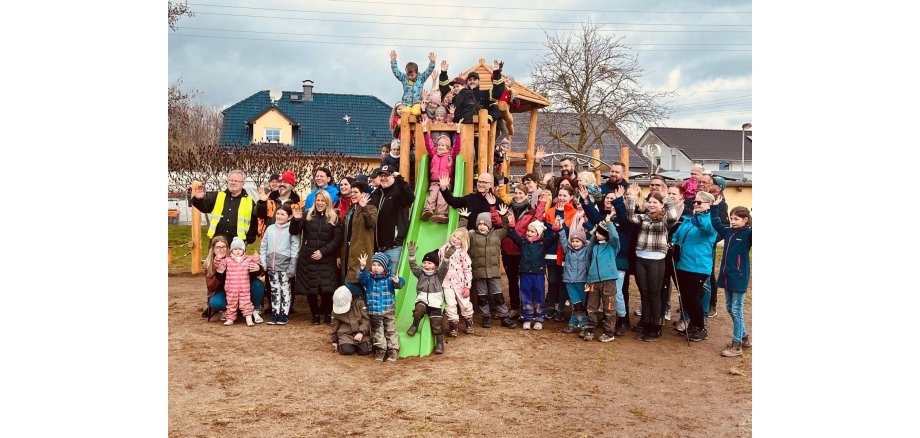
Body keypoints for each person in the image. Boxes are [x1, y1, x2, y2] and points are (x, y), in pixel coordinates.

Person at [625, 183, 681, 341]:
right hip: (641, 258)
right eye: (650, 201)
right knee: (644, 293)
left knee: (654, 293)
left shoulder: (665, 219)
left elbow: (673, 217)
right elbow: (630, 217)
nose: (651, 204)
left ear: (661, 205)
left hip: (656, 260)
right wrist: (631, 197)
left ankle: (655, 327)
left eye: (655, 202)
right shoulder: (643, 217)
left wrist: (666, 198)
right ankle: (646, 323)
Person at [578, 184, 632, 337]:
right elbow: (593, 215)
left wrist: (619, 201)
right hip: (598, 269)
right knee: (594, 299)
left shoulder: (624, 221)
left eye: (612, 199)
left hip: (618, 263)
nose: (609, 201)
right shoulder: (603, 220)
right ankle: (592, 325)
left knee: (618, 294)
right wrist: (586, 200)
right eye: (607, 198)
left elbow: (619, 221)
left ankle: (622, 320)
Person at [670, 191, 718, 343]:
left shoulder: (710, 221)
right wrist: (673, 242)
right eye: (695, 202)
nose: (695, 205)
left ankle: (700, 327)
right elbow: (677, 234)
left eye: (699, 203)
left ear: (708, 205)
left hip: (698, 266)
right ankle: (691, 324)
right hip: (682, 264)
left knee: (692, 297)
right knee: (686, 297)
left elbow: (706, 229)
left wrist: (703, 213)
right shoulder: (689, 220)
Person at [458, 206, 517, 329]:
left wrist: (503, 215)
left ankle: (504, 317)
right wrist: (464, 219)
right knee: (483, 297)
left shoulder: (497, 234)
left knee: (498, 296)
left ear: (489, 225)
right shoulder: (472, 235)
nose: (482, 226)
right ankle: (486, 317)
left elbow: (506, 228)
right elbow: (461, 234)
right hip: (479, 272)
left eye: (485, 224)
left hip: (493, 272)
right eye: (480, 224)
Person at [291, 190, 342, 325]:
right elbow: (294, 231)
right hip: (309, 257)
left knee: (327, 289)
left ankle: (326, 313)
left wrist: (323, 252)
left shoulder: (334, 217)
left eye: (322, 201)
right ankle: (315, 315)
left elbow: (337, 240)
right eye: (317, 200)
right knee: (311, 289)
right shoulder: (307, 214)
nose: (320, 203)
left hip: (326, 257)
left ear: (327, 202)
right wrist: (296, 220)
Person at [710, 197, 752, 357]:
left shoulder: (748, 234)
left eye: (737, 219)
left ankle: (737, 345)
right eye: (732, 218)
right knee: (729, 308)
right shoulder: (728, 232)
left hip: (739, 277)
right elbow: (716, 224)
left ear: (745, 220)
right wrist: (714, 207)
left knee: (736, 309)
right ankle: (745, 336)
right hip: (726, 277)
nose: (733, 221)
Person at [505, 210, 558, 331]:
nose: (529, 233)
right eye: (528, 231)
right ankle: (527, 317)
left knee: (539, 295)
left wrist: (556, 230)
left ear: (538, 234)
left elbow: (554, 238)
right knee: (525, 294)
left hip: (538, 274)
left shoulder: (543, 243)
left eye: (532, 231)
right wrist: (511, 224)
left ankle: (539, 318)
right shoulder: (523, 242)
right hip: (525, 273)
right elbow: (512, 235)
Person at [502, 186, 548, 320]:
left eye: (520, 193)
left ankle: (526, 309)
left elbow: (538, 220)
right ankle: (515, 307)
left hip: (523, 250)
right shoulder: (507, 209)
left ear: (526, 195)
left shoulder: (530, 211)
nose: (517, 195)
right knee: (512, 281)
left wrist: (542, 203)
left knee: (525, 282)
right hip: (508, 250)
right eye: (515, 193)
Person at [203, 236, 265, 323]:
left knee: (257, 284)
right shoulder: (211, 263)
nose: (221, 249)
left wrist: (258, 268)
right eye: (218, 247)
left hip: (243, 287)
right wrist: (218, 275)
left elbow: (251, 267)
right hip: (226, 291)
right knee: (216, 302)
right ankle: (231, 310)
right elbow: (211, 287)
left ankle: (254, 309)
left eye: (224, 246)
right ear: (213, 249)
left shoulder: (237, 257)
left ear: (228, 248)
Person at [190, 169, 260, 246]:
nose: (233, 183)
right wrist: (198, 199)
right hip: (216, 243)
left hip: (237, 245)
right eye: (231, 180)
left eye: (236, 181)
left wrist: (248, 240)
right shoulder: (218, 196)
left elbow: (254, 223)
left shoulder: (249, 201)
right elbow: (204, 207)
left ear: (242, 183)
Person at [358, 252, 405, 362]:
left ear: (384, 266)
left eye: (379, 265)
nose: (376, 267)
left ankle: (393, 350)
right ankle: (380, 350)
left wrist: (398, 281)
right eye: (374, 265)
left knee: (390, 330)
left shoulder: (390, 277)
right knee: (377, 332)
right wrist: (362, 267)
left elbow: (400, 284)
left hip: (388, 310)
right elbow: (361, 278)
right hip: (374, 311)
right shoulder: (369, 278)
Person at [368, 164, 415, 274]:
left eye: (386, 175)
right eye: (381, 175)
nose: (383, 178)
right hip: (378, 247)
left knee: (392, 280)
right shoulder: (377, 193)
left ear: (393, 176)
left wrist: (400, 180)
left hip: (393, 246)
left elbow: (410, 198)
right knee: (378, 281)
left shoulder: (399, 192)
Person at [582, 218, 621, 342]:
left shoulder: (612, 246)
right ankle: (590, 329)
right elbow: (589, 258)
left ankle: (609, 332)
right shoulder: (594, 247)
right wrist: (588, 280)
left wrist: (609, 223)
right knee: (591, 307)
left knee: (609, 308)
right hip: (593, 281)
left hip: (609, 281)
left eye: (600, 233)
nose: (597, 234)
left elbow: (615, 236)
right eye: (596, 233)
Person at [406, 244, 450, 354]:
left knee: (436, 324)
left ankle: (439, 343)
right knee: (418, 309)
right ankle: (415, 325)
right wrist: (411, 256)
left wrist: (447, 258)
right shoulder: (420, 274)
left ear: (435, 266)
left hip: (435, 304)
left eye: (429, 263)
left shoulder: (439, 275)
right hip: (422, 300)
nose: (426, 265)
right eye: (424, 262)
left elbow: (444, 267)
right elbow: (414, 267)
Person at [259, 205, 300, 325]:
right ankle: (275, 313)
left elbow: (295, 247)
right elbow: (263, 245)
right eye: (278, 213)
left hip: (285, 266)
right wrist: (263, 262)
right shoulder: (270, 228)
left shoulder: (291, 229)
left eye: (282, 214)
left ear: (289, 217)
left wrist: (292, 265)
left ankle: (284, 314)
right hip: (272, 265)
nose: (279, 216)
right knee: (274, 289)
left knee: (285, 289)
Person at [543, 186, 579, 322]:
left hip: (566, 252)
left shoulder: (574, 213)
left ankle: (561, 309)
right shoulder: (550, 212)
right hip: (552, 251)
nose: (562, 198)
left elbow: (573, 232)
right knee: (552, 281)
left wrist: (562, 226)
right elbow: (547, 231)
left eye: (565, 195)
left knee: (563, 282)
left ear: (570, 197)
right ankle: (551, 306)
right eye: (560, 195)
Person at [339, 182, 377, 299]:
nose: (352, 195)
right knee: (349, 283)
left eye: (356, 192)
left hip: (362, 254)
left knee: (357, 283)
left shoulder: (370, 208)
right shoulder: (350, 210)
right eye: (351, 193)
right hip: (348, 253)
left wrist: (364, 207)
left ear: (364, 194)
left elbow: (371, 222)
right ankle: (357, 311)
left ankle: (365, 309)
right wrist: (339, 255)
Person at [421, 118, 462, 224]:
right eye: (439, 145)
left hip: (445, 182)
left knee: (442, 197)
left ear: (448, 148)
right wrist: (425, 130)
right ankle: (428, 211)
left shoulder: (450, 156)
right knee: (432, 195)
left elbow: (457, 147)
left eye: (443, 145)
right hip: (434, 181)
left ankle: (441, 214)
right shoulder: (434, 154)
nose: (440, 147)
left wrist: (458, 132)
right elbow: (429, 145)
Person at [558, 213, 591, 335]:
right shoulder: (568, 250)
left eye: (578, 241)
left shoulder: (586, 251)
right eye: (573, 241)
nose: (575, 243)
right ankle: (581, 323)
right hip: (569, 281)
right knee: (575, 303)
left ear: (583, 241)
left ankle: (574, 323)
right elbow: (562, 239)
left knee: (580, 305)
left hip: (582, 281)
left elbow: (592, 241)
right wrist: (561, 229)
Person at [439, 172, 506, 231]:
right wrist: (443, 188)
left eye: (484, 182)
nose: (480, 184)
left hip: (488, 241)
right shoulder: (470, 198)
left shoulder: (498, 202)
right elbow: (453, 201)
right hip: (471, 237)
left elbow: (503, 225)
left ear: (490, 184)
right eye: (479, 182)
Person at [439, 228, 475, 336]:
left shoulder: (463, 253)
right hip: (446, 283)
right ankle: (453, 325)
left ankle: (469, 322)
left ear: (462, 242)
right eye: (454, 236)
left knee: (465, 304)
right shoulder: (443, 249)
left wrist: (467, 287)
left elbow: (467, 270)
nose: (455, 239)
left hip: (460, 283)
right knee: (450, 304)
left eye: (458, 238)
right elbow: (439, 264)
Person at [389, 50, 436, 115]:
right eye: (408, 75)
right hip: (406, 104)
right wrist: (393, 60)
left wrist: (432, 62)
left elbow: (428, 71)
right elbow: (396, 71)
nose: (410, 77)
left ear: (416, 73)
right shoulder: (404, 78)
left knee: (415, 112)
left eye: (412, 75)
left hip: (417, 103)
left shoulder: (421, 78)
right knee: (405, 113)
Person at [330, 286, 372, 356]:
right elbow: (334, 325)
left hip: (362, 334)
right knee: (346, 351)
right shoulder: (336, 309)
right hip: (345, 334)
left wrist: (361, 332)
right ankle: (345, 344)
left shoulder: (360, 303)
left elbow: (366, 319)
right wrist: (334, 340)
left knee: (365, 351)